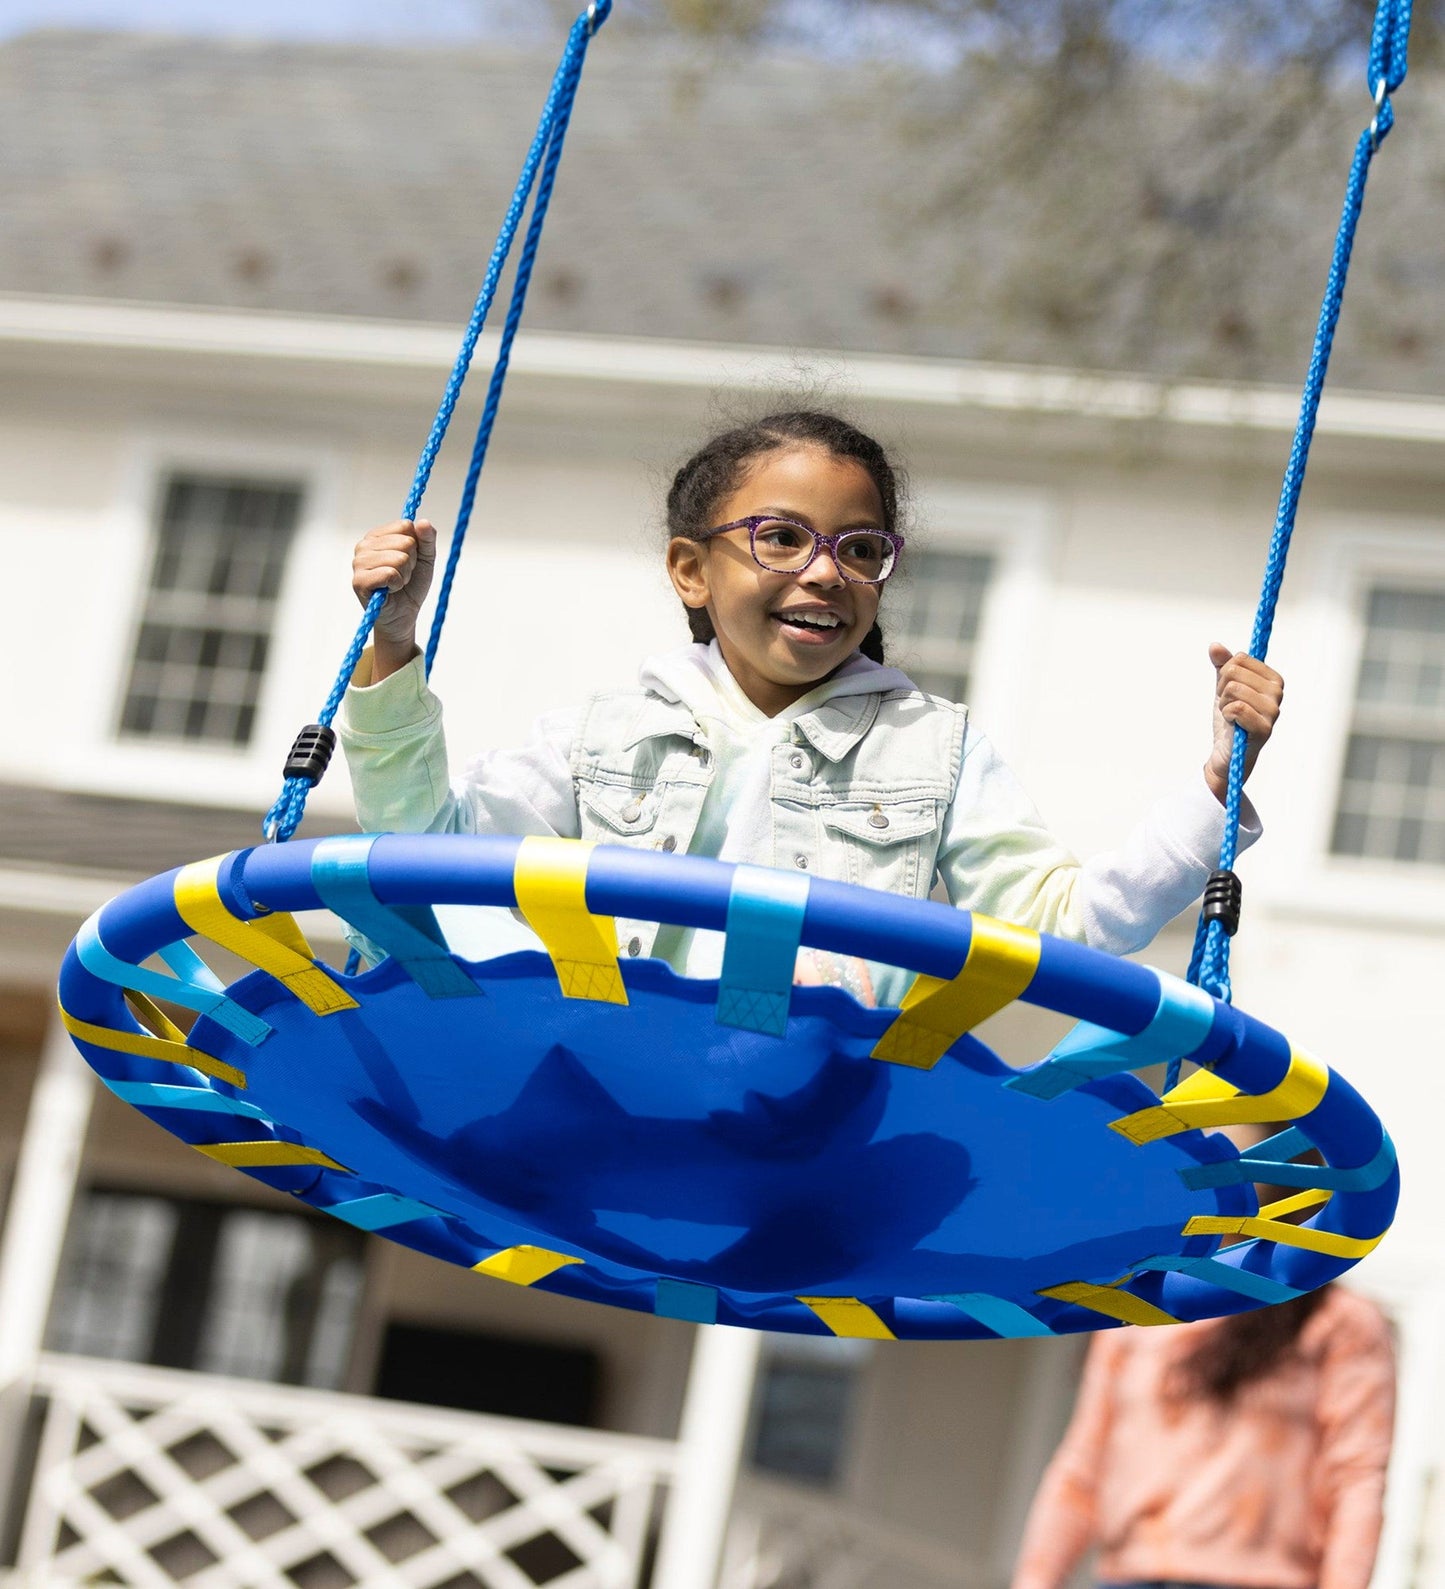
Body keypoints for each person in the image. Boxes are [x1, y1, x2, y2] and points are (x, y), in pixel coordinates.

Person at [339, 409, 1284, 1003]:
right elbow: (428, 851)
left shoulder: (932, 749)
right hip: (612, 1054)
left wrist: (1210, 791)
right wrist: (393, 639)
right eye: (781, 538)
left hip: (810, 1085)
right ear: (689, 569)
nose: (825, 573)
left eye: (860, 548)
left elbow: (1063, 924)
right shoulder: (605, 733)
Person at [1010, 1282, 1396, 1589]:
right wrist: (1036, 1579)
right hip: (1129, 1575)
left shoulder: (1339, 1320)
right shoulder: (1140, 1307)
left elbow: (1357, 1477)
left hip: (1263, 1579)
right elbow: (1084, 1464)